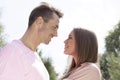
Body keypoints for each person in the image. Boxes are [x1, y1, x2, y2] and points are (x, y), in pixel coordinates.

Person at [0, 2, 63, 80]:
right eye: (55, 27)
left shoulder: (38, 63)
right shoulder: (13, 52)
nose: (56, 34)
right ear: (39, 22)